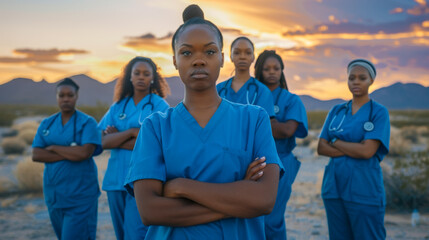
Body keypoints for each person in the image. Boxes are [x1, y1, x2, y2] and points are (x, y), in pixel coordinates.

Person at [124, 5, 283, 239]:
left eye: (209, 52)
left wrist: (181, 187)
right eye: (187, 53)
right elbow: (150, 211)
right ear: (175, 61)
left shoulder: (254, 119)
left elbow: (264, 200)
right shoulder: (155, 127)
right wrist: (237, 199)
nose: (198, 60)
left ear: (221, 58)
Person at [317, 59, 390, 239]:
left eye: (362, 78)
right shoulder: (337, 111)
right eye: (352, 78)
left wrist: (336, 141)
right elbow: (321, 147)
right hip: (334, 188)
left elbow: (367, 152)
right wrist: (355, 146)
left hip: (364, 189)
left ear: (371, 81)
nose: (356, 82)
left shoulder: (378, 112)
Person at [98, 56, 170, 239]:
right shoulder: (118, 106)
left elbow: (159, 143)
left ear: (153, 78)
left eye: (146, 74)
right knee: (121, 234)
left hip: (142, 180)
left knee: (136, 234)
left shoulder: (159, 105)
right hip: (115, 181)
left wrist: (117, 138)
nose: (141, 77)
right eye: (137, 73)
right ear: (129, 77)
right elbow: (104, 142)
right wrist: (132, 132)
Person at [32, 78, 102, 240]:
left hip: (80, 198)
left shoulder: (87, 123)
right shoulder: (47, 124)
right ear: (56, 97)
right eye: (61, 95)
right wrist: (71, 151)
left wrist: (54, 147)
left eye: (70, 95)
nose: (65, 99)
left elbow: (84, 153)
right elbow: (37, 154)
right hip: (54, 197)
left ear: (76, 96)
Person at [254, 50, 308, 240]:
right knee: (251, 219)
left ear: (282, 71)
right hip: (251, 163)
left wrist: (257, 122)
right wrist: (273, 123)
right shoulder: (252, 95)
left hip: (281, 162)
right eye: (266, 68)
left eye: (276, 68)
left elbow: (286, 131)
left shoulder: (291, 100)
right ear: (259, 70)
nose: (271, 72)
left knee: (272, 220)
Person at [216, 36, 275, 117]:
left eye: (248, 53)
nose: (242, 57)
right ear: (231, 57)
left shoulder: (262, 91)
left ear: (253, 57)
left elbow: (264, 124)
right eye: (237, 52)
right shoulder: (218, 89)